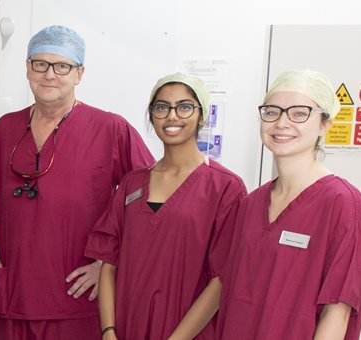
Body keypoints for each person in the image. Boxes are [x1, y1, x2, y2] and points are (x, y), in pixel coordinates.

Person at [0, 25, 154, 339]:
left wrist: (109, 263)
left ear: (79, 73)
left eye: (62, 66)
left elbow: (150, 196)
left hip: (77, 302)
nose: (50, 74)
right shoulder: (4, 130)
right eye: (40, 64)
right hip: (12, 300)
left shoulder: (111, 130)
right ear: (27, 69)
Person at [211, 69, 361, 340]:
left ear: (325, 124)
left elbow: (338, 312)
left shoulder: (343, 203)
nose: (282, 123)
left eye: (299, 113)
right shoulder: (251, 204)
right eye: (272, 112)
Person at [84, 73, 246, 340]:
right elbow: (108, 264)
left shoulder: (226, 188)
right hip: (127, 329)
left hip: (188, 333)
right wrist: (109, 331)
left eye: (184, 107)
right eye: (162, 107)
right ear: (152, 116)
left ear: (202, 116)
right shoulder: (131, 184)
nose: (172, 116)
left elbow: (222, 280)